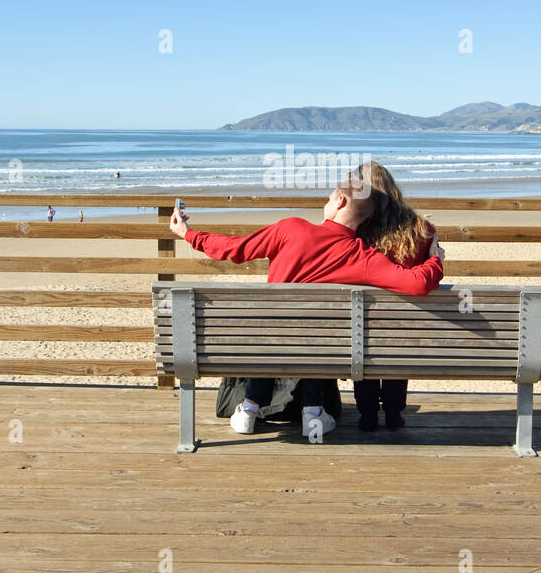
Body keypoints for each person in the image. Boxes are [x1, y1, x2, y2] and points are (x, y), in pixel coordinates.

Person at [168, 171, 444, 440]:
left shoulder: (291, 228)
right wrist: (435, 258)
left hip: (262, 344)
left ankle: (249, 409)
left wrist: (188, 234)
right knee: (321, 333)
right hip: (313, 348)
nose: (324, 203)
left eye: (328, 198)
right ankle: (312, 412)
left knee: (270, 326)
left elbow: (234, 249)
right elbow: (417, 284)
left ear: (340, 202)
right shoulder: (362, 255)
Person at [349, 162, 435, 431]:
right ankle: (395, 413)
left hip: (361, 322)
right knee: (398, 338)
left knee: (363, 343)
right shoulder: (422, 228)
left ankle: (367, 414)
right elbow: (429, 274)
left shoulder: (355, 231)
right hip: (405, 322)